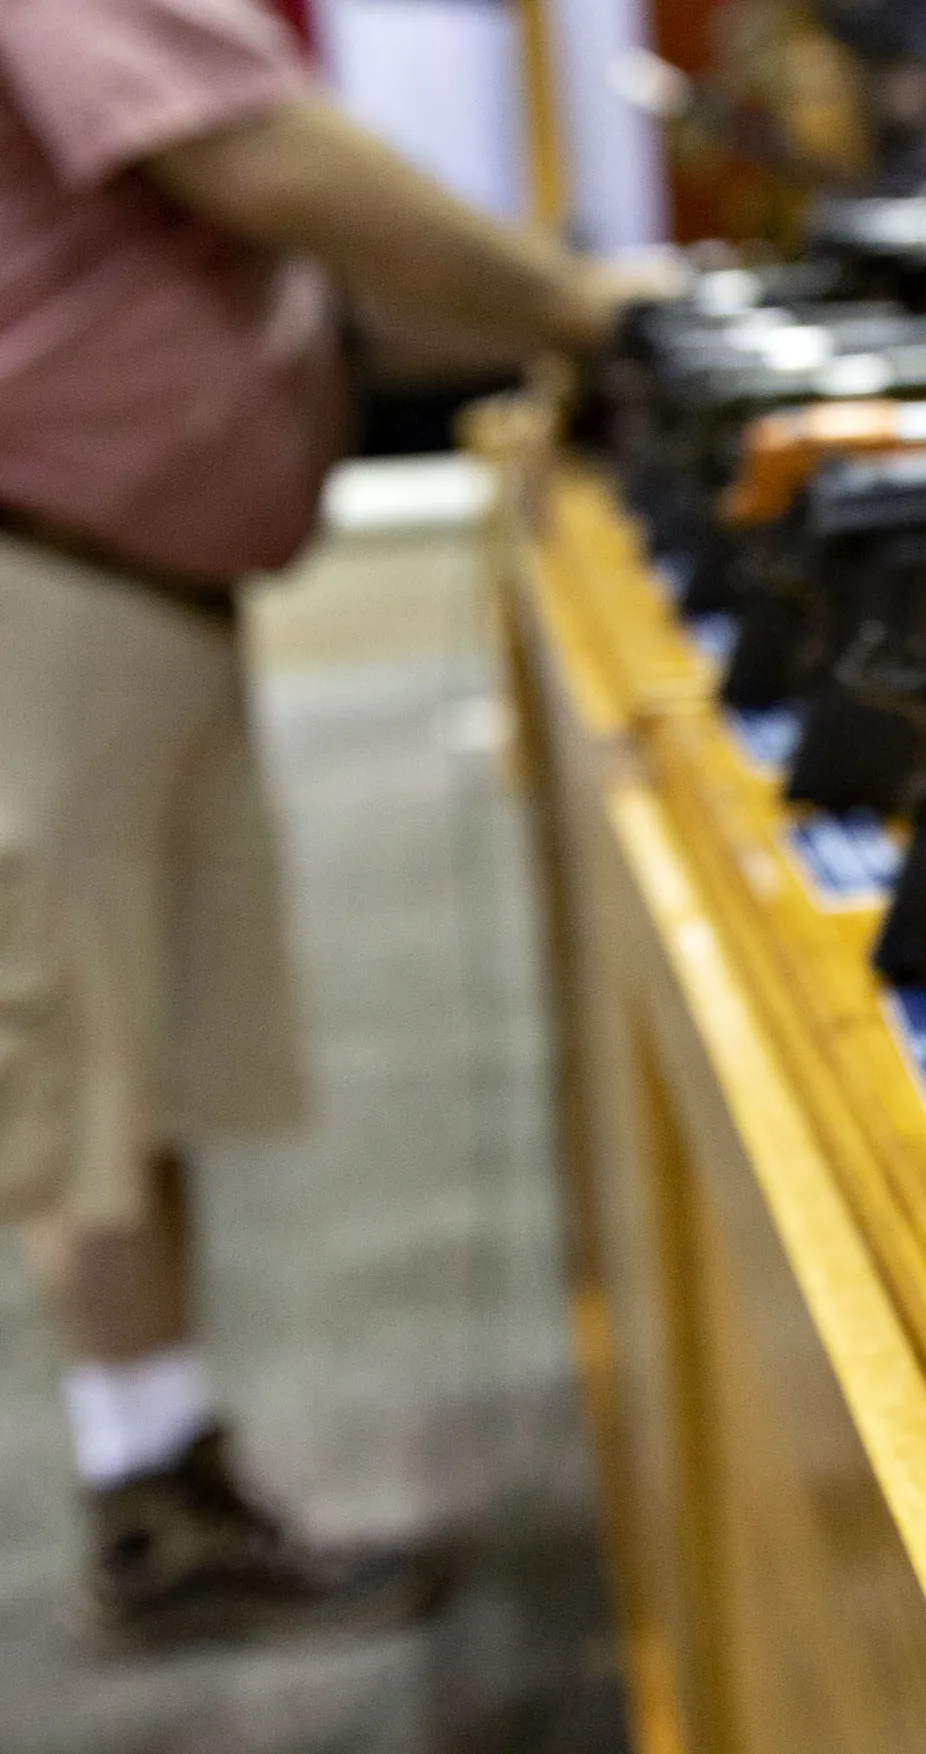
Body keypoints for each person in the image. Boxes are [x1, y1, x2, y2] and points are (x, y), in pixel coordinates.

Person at [0, 0, 635, 1649]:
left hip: (119, 570)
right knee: (75, 1062)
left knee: (131, 1063)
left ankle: (173, 1473)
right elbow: (256, 163)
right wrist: (572, 302)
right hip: (44, 572)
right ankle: (146, 1508)